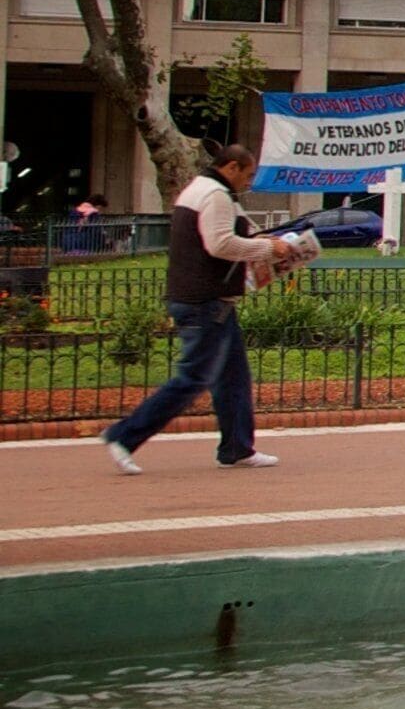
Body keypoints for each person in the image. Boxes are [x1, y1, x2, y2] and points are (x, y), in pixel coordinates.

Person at [103, 142, 312, 474]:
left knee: (233, 378)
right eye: (248, 174)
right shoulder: (215, 195)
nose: (250, 182)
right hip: (204, 302)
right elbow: (221, 244)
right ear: (231, 167)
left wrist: (274, 245)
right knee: (193, 378)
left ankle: (237, 448)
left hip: (208, 301)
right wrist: (268, 249)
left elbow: (233, 235)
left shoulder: (205, 190)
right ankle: (124, 436)